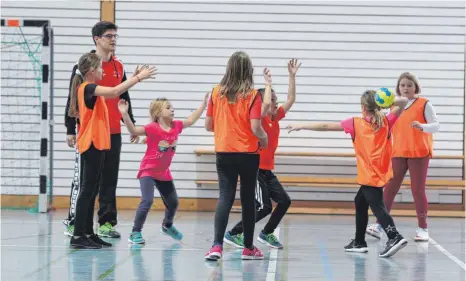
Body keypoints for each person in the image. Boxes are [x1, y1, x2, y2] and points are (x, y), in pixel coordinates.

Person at [287, 90, 409, 258]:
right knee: (360, 201)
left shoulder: (355, 123)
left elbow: (325, 126)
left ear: (363, 107)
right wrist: (388, 100)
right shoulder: (387, 121)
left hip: (369, 176)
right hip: (380, 173)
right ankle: (359, 242)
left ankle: (394, 236)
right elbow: (403, 102)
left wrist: (300, 125)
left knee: (378, 207)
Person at [68, 52, 156, 249]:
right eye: (99, 69)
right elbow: (115, 91)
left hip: (98, 144)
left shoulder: (90, 88)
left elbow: (116, 91)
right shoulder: (88, 87)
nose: (102, 71)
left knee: (92, 191)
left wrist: (131, 78)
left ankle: (88, 232)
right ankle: (78, 235)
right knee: (87, 190)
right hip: (90, 145)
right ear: (91, 72)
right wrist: (138, 78)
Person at [63, 21, 138, 239]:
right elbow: (72, 98)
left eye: (115, 35)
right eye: (109, 36)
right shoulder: (84, 67)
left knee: (109, 179)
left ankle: (105, 222)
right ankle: (75, 222)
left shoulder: (119, 66)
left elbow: (124, 97)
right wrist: (70, 129)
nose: (113, 39)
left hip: (112, 131)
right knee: (85, 182)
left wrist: (130, 124)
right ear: (97, 39)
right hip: (90, 133)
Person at [223, 58, 301, 250]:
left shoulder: (275, 118)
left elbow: (290, 100)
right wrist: (267, 85)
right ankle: (234, 233)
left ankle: (266, 233)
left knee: (284, 201)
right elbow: (264, 105)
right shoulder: (260, 118)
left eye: (275, 100)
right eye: (272, 100)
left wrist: (291, 76)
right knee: (264, 206)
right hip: (255, 169)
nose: (275, 103)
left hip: (267, 171)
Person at [204, 51, 272, 261]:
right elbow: (255, 127)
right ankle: (249, 247)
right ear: (248, 71)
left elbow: (208, 126)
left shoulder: (216, 92)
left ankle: (216, 246)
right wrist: (264, 138)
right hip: (248, 154)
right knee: (248, 200)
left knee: (225, 196)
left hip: (224, 152)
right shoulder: (253, 95)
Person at [118, 94, 208, 244]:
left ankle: (167, 225)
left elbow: (191, 120)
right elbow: (133, 129)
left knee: (173, 202)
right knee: (147, 201)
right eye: (168, 108)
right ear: (158, 113)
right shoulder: (152, 128)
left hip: (163, 172)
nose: (172, 110)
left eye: (172, 107)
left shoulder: (176, 126)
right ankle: (135, 232)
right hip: (148, 171)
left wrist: (203, 105)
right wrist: (125, 114)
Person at [366, 72, 440, 242]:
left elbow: (436, 125)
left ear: (416, 87)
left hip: (419, 153)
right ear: (398, 87)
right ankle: (379, 225)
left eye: (409, 85)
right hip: (398, 152)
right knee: (390, 188)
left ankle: (423, 228)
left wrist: (422, 127)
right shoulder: (394, 105)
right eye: (402, 85)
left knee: (417, 190)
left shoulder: (424, 104)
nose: (406, 88)